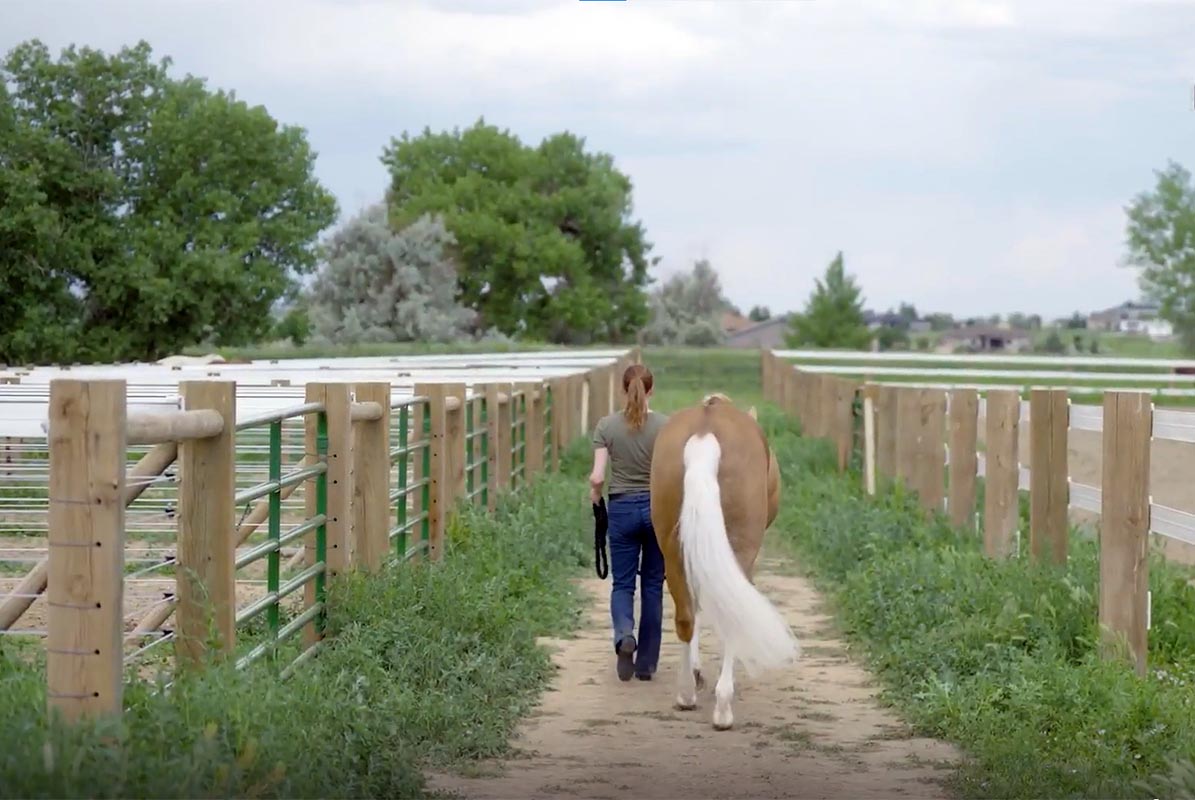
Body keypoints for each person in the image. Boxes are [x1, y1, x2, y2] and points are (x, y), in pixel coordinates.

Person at [589, 363, 668, 682]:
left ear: (624, 389)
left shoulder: (606, 426)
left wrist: (596, 498)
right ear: (651, 390)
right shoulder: (666, 426)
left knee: (622, 584)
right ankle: (647, 664)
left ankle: (624, 636)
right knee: (652, 585)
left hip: (621, 509)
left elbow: (597, 476)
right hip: (657, 510)